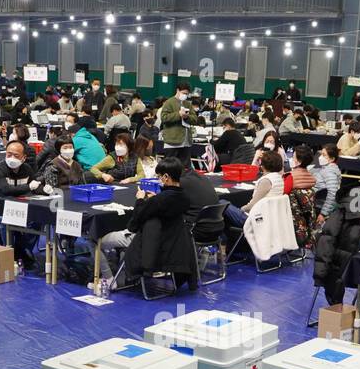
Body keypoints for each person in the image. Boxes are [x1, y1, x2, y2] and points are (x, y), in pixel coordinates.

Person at [97, 158, 199, 288]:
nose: (158, 179)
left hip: (150, 243)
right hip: (174, 245)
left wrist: (140, 200)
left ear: (166, 177)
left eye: (159, 176)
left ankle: (109, 279)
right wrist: (155, 199)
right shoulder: (185, 198)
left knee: (96, 240)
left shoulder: (158, 201)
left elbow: (133, 225)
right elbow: (166, 206)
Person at [0, 139, 39, 259]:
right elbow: (5, 190)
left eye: (16, 155)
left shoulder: (27, 169)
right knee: (6, 220)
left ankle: (25, 249)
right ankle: (9, 253)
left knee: (38, 219)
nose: (12, 158)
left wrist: (45, 189)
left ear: (23, 157)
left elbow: (35, 186)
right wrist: (29, 186)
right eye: (9, 154)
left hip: (17, 204)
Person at [224, 149, 286, 228]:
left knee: (223, 203)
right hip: (270, 218)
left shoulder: (266, 181)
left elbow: (252, 205)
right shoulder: (279, 178)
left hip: (256, 219)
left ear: (262, 165)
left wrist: (241, 209)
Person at [159, 83, 193, 165]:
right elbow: (164, 118)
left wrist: (186, 117)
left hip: (186, 141)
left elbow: (195, 118)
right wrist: (179, 114)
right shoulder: (169, 102)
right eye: (183, 93)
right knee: (170, 167)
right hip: (172, 142)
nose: (185, 95)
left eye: (187, 94)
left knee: (185, 168)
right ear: (178, 90)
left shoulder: (188, 104)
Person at [310, 143, 342, 221]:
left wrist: (323, 213)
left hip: (321, 207)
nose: (320, 157)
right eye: (321, 154)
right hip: (319, 204)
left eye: (324, 155)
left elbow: (332, 192)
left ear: (332, 159)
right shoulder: (327, 168)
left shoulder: (330, 171)